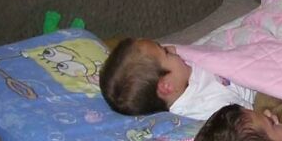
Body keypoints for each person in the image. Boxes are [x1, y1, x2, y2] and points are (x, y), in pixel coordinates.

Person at [99, 38, 254, 119]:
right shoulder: (210, 107)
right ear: (167, 86)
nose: (173, 48)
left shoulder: (182, 74)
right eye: (166, 52)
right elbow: (251, 116)